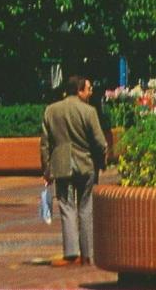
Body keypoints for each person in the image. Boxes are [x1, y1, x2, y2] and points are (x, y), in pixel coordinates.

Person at [40, 75, 108, 267]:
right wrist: (102, 162)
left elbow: (45, 143)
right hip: (86, 165)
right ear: (79, 90)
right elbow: (100, 142)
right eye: (88, 89)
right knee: (86, 207)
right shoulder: (88, 111)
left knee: (67, 206)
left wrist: (46, 168)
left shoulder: (51, 110)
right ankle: (87, 254)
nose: (91, 92)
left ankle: (71, 253)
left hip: (61, 164)